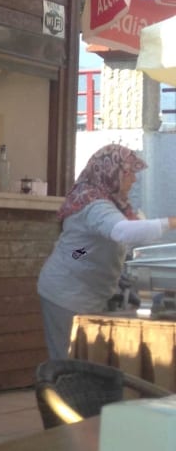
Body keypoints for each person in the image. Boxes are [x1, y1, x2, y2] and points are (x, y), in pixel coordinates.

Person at [37, 143, 175, 360]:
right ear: (111, 172)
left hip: (87, 293)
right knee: (70, 364)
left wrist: (83, 252)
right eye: (129, 173)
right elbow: (123, 232)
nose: (134, 180)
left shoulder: (112, 204)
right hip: (67, 295)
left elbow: (82, 249)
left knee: (86, 363)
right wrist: (172, 222)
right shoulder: (95, 205)